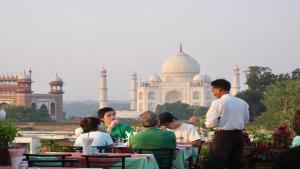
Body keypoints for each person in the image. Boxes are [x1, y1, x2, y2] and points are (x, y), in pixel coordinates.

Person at [205, 79, 249, 169]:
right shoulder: (242, 102)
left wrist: (220, 121)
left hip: (223, 137)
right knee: (234, 164)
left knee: (215, 164)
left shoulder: (218, 103)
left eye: (213, 91)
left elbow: (209, 123)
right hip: (238, 136)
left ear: (219, 89)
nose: (213, 94)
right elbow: (246, 120)